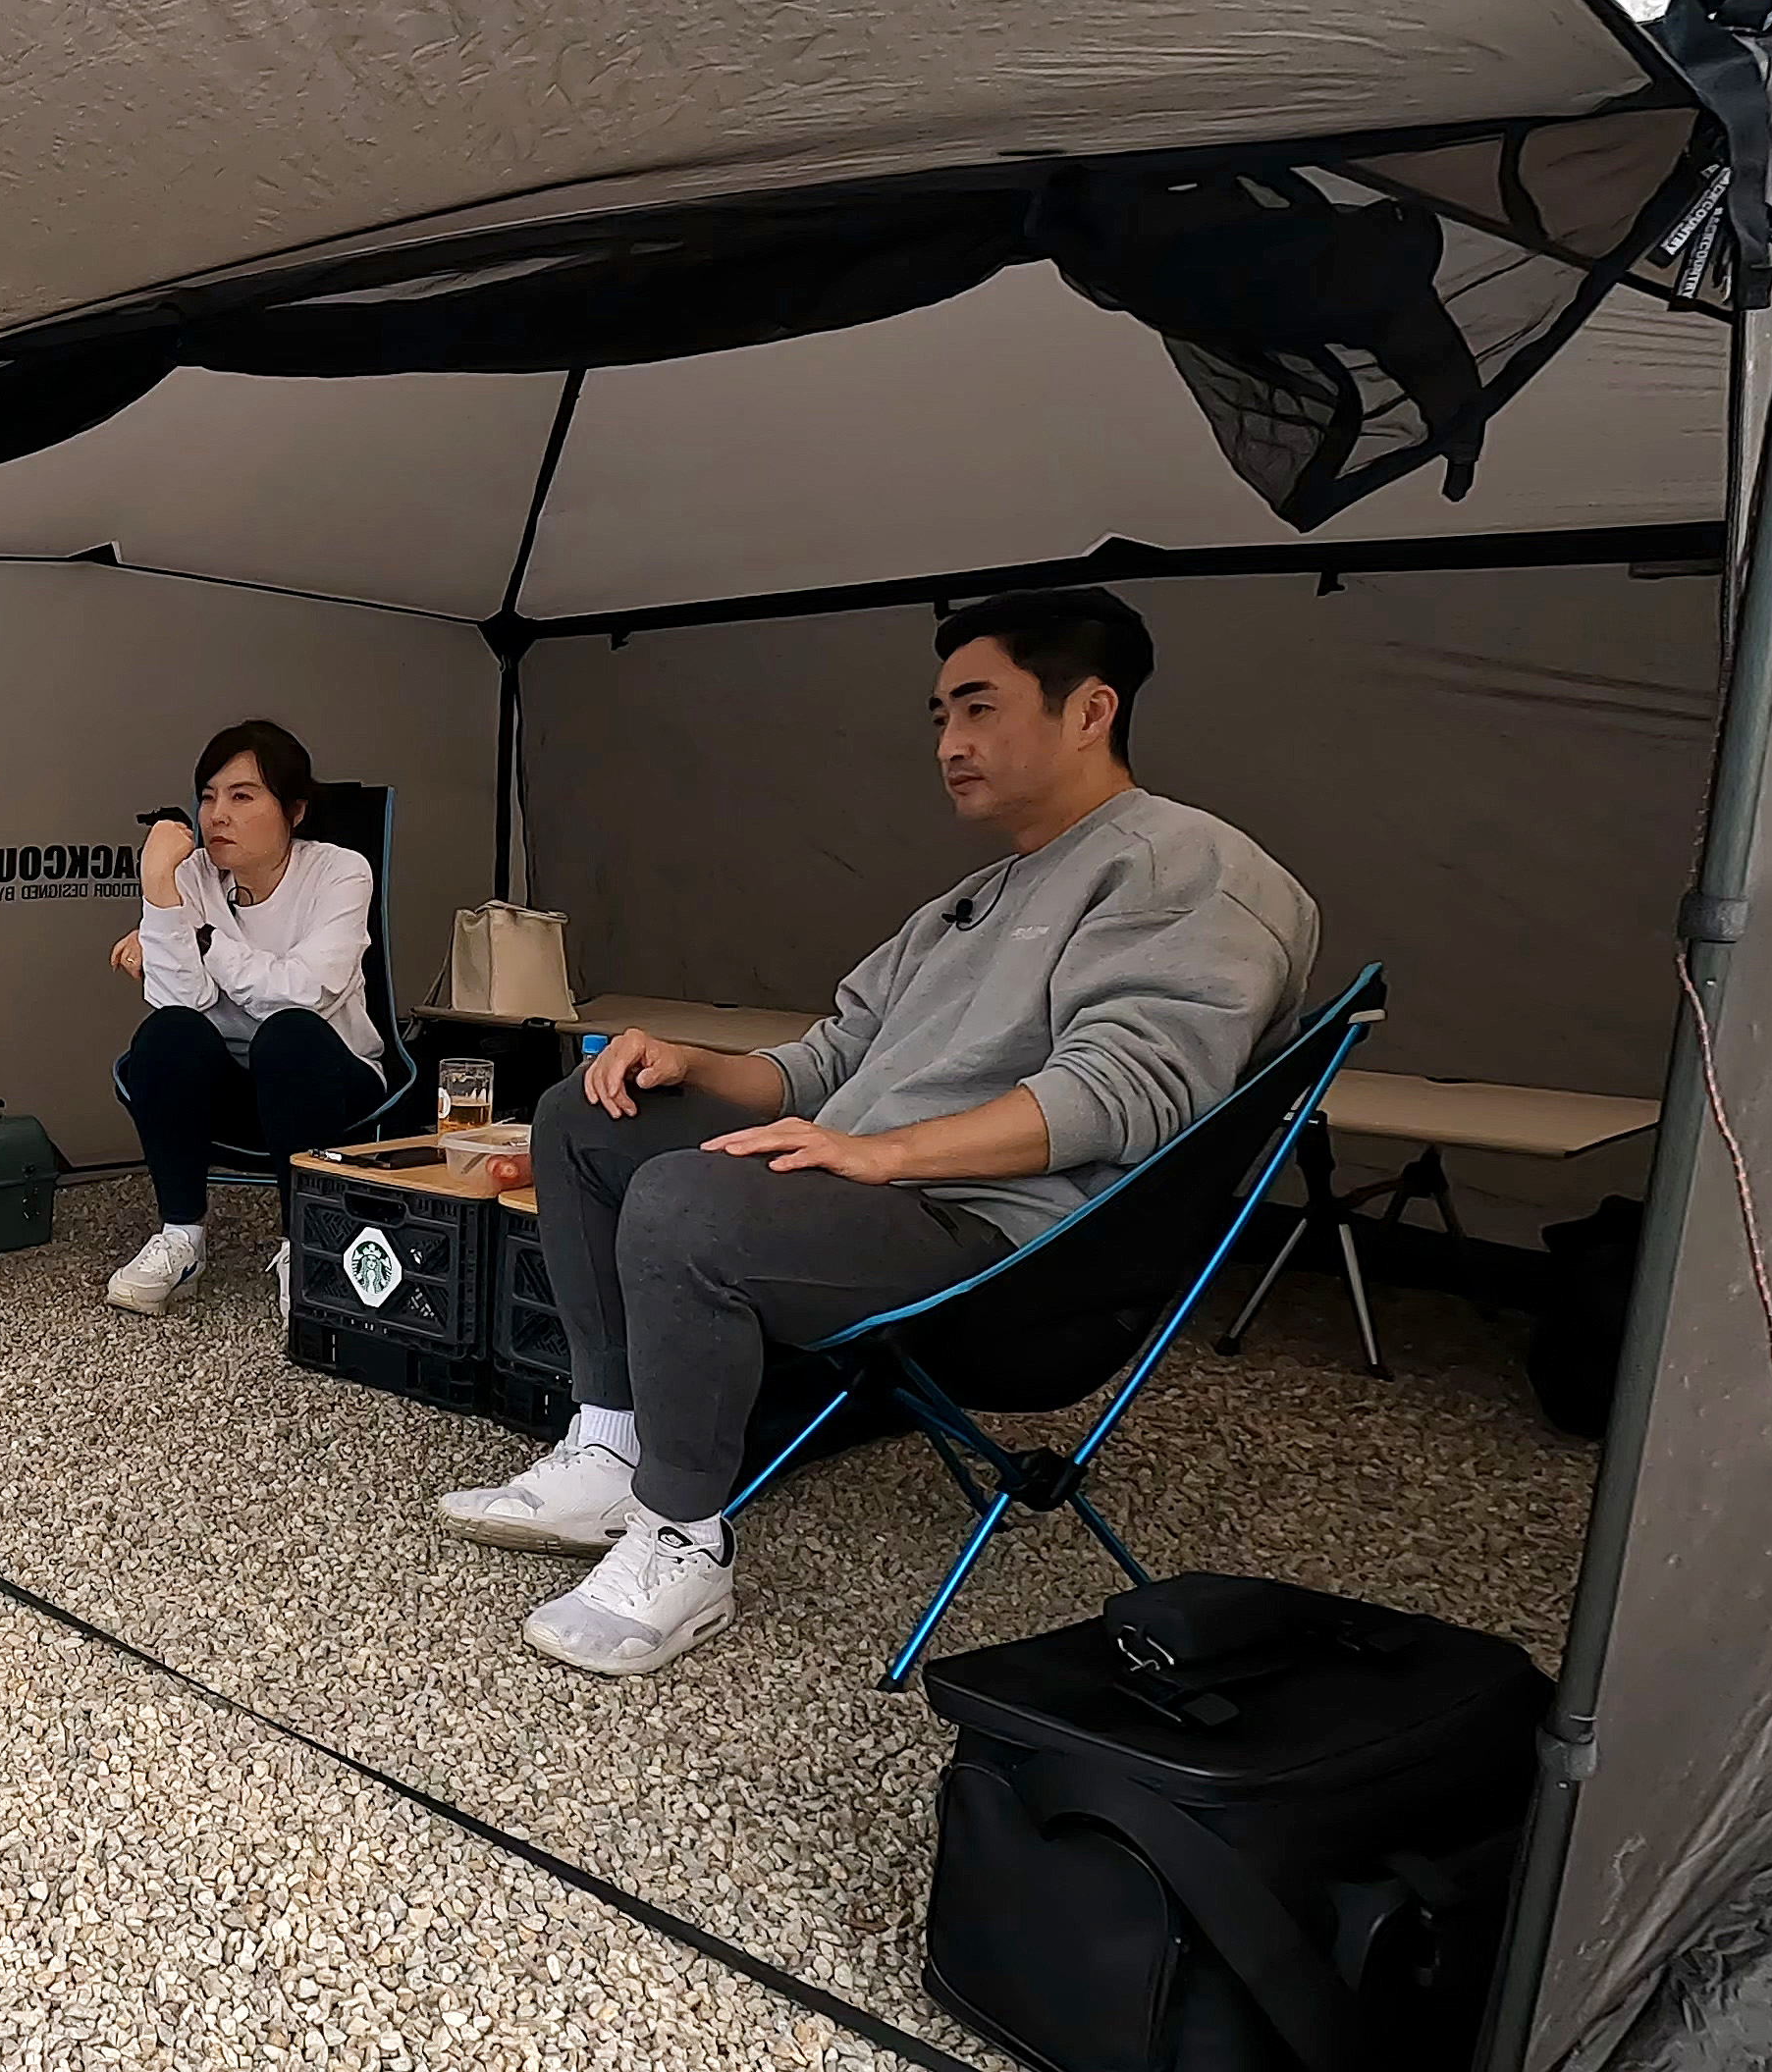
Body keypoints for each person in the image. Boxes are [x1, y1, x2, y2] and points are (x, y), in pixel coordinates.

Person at [437, 588, 1319, 1676]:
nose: (950, 743)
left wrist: (881, 1154)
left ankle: (680, 1539)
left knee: (686, 1199)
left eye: (980, 708)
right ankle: (611, 1448)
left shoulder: (1188, 866)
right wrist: (689, 1063)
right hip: (865, 1196)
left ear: (1091, 711)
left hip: (1006, 1247)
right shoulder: (969, 901)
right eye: (941, 716)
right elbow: (826, 1062)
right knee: (586, 1109)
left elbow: (1130, 1092)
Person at [105, 719, 386, 1314]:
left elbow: (303, 994)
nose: (217, 816)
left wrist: (200, 936)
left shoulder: (340, 872)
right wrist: (158, 888)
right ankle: (182, 1237)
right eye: (208, 797)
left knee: (288, 1035)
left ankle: (304, 1245)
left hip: (328, 1077)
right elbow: (179, 1001)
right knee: (167, 1033)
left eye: (241, 796)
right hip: (230, 1087)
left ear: (294, 811)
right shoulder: (190, 876)